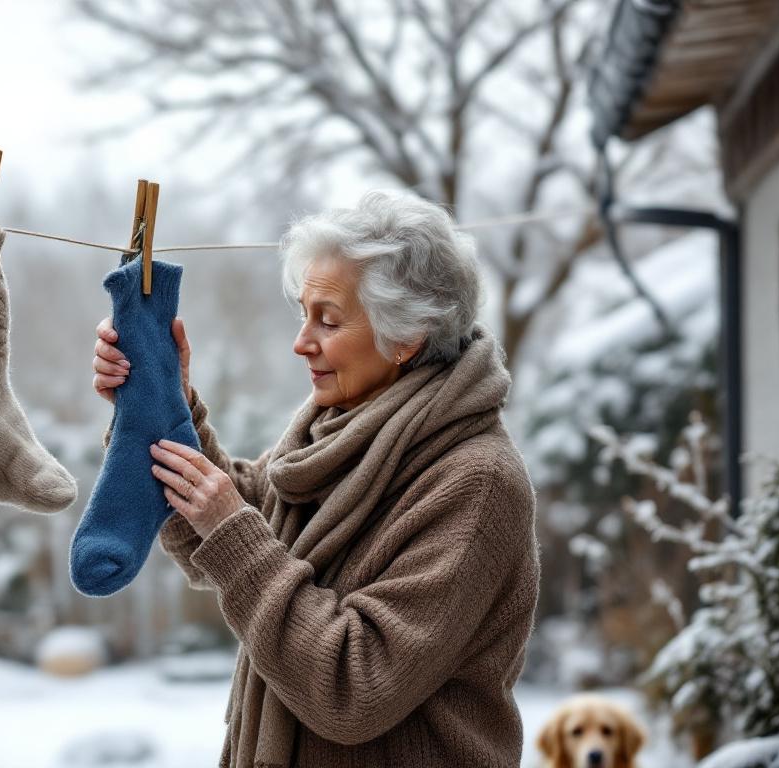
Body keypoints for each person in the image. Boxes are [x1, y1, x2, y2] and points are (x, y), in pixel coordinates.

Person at [92, 190, 540, 767]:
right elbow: (250, 523)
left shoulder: (477, 484)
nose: (301, 342)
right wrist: (160, 404)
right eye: (303, 313)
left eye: (328, 320)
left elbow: (354, 686)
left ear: (406, 336)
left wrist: (230, 527)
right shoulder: (339, 427)